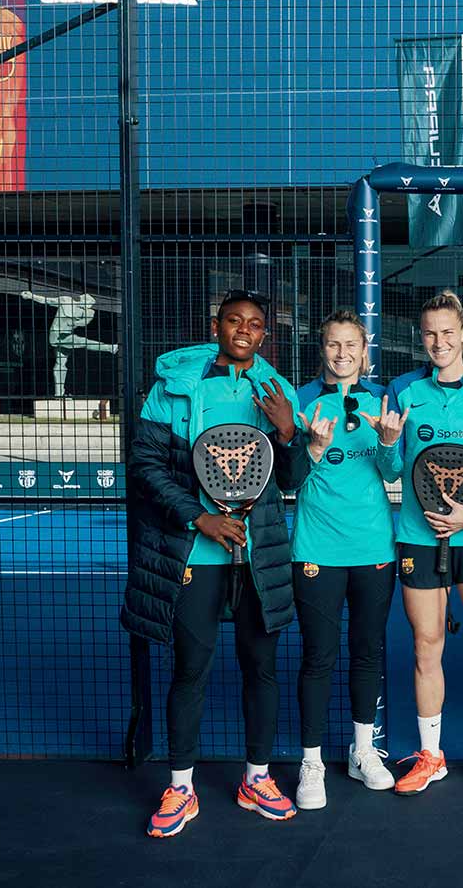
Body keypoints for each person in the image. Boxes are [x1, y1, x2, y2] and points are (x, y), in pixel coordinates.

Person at [120, 289, 308, 838]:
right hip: (194, 555)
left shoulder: (278, 391)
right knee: (190, 669)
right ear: (216, 326)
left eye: (254, 323)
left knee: (261, 668)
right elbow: (145, 462)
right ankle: (181, 787)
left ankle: (257, 778)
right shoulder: (172, 388)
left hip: (258, 556)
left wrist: (288, 431)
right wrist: (196, 518)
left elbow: (291, 478)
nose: (243, 330)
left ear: (265, 334)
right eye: (233, 321)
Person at [380, 289, 463, 796]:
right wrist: (390, 444)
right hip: (417, 538)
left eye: (447, 332)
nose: (439, 341)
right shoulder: (403, 389)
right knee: (425, 646)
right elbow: (392, 470)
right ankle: (431, 755)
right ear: (423, 337)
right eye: (430, 333)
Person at [289, 309, 405, 810]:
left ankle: (363, 752)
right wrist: (313, 448)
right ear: (323, 349)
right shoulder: (302, 399)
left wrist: (387, 442)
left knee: (367, 652)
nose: (341, 354)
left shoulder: (382, 400)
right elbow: (288, 478)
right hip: (317, 549)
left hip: (373, 548)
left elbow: (392, 469)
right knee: (318, 656)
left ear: (364, 349)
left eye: (350, 345)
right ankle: (310, 762)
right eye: (333, 345)